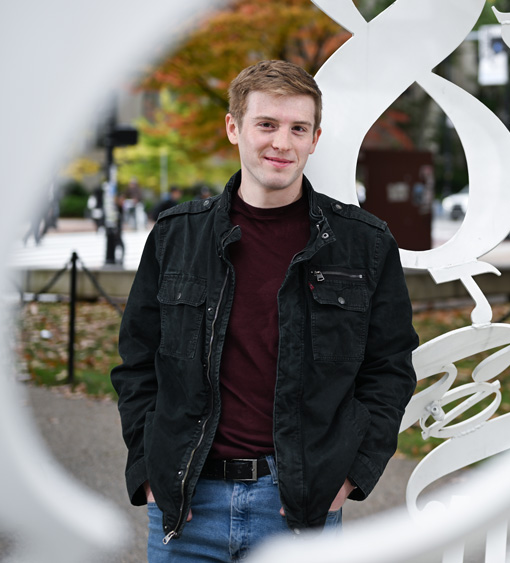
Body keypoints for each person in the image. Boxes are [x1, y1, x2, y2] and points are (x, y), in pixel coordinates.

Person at [111, 60, 419, 562]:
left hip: (299, 511)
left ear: (315, 138)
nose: (282, 142)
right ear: (234, 128)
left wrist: (351, 474)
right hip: (188, 507)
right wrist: (148, 469)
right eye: (266, 125)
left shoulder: (364, 244)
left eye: (298, 128)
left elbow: (389, 369)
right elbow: (137, 362)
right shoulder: (176, 235)